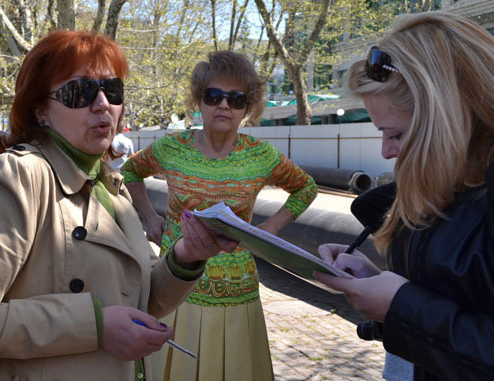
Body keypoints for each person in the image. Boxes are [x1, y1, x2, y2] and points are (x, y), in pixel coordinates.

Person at [0, 30, 237, 381]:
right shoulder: (21, 176)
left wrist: (187, 255)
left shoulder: (111, 187)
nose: (103, 103)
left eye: (113, 90)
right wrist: (95, 325)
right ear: (40, 110)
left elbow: (142, 299)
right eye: (81, 92)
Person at [314, 12, 494, 381]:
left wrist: (403, 308)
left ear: (445, 119)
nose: (385, 151)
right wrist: (376, 281)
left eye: (395, 134)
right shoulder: (448, 185)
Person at [122, 50, 318, 380]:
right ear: (199, 100)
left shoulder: (261, 156)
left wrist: (269, 229)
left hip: (236, 291)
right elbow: (129, 172)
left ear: (248, 107)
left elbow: (306, 188)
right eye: (214, 96)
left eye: (236, 98)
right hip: (175, 287)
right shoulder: (172, 146)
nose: (224, 105)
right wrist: (148, 217)